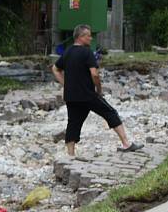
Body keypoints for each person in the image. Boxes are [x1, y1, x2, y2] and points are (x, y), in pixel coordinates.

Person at [51, 24, 141, 156]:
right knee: (110, 113)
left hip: (71, 96)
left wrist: (66, 84)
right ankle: (126, 144)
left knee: (73, 123)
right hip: (88, 95)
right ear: (81, 37)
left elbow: (55, 69)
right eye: (88, 35)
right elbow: (94, 74)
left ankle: (71, 155)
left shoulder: (68, 51)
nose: (91, 38)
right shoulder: (87, 52)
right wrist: (99, 88)